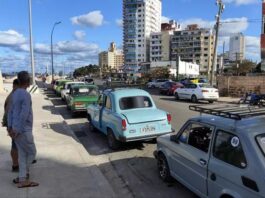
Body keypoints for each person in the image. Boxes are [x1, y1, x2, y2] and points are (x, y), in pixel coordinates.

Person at [8, 71, 39, 188]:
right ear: (27, 82)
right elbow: (24, 114)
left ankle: (22, 179)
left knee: (22, 154)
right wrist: (17, 130)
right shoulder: (26, 95)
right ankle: (23, 174)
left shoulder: (15, 94)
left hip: (15, 130)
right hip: (23, 130)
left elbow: (10, 112)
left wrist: (11, 128)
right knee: (32, 152)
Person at [2, 79, 19, 172]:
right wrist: (11, 127)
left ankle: (16, 164)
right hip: (13, 124)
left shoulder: (11, 95)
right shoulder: (13, 96)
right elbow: (9, 111)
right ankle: (15, 165)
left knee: (15, 145)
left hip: (11, 124)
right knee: (15, 145)